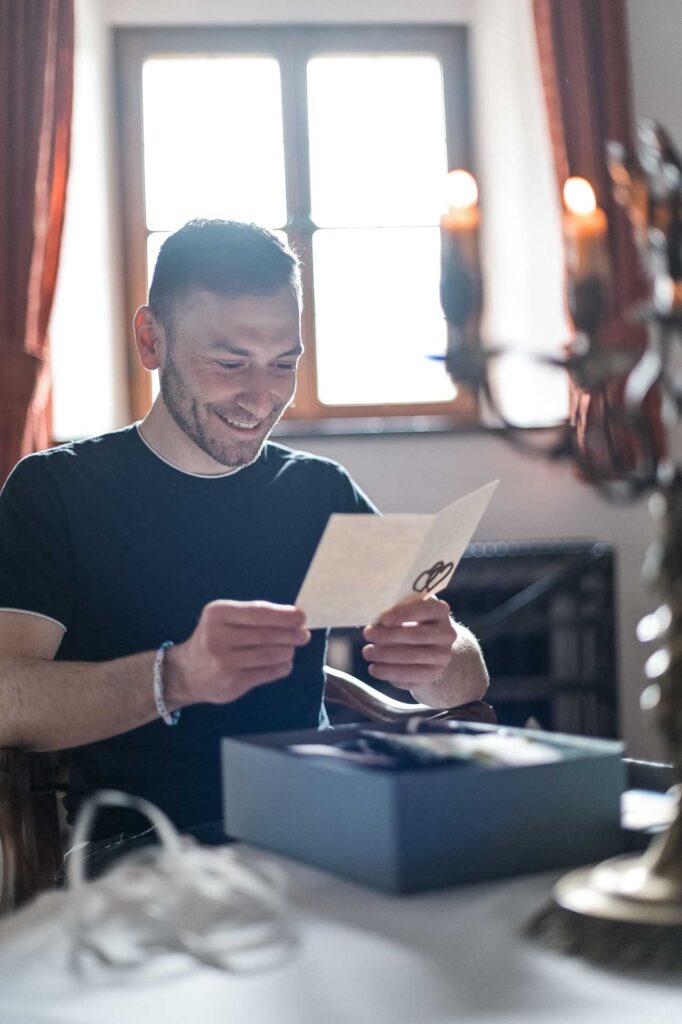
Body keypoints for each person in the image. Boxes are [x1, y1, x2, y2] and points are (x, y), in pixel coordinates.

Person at [0, 219, 488, 855]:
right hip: (146, 848)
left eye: (283, 364)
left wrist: (439, 657)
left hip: (319, 828)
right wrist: (175, 676)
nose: (261, 399)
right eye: (230, 363)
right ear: (151, 339)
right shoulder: (56, 490)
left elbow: (466, 679)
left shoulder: (317, 490)